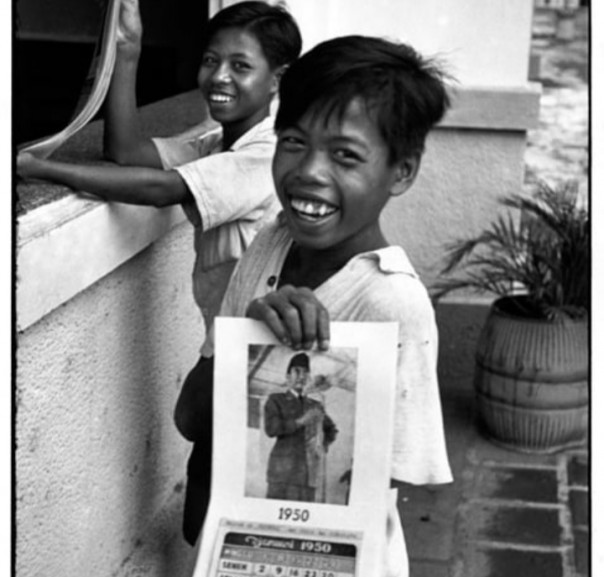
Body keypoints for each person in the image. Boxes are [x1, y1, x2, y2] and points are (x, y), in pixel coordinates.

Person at [185, 35, 454, 576]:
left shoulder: (392, 302)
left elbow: (372, 485)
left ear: (401, 171)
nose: (309, 171)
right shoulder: (272, 242)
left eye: (346, 156)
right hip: (238, 550)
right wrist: (248, 340)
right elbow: (190, 418)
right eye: (293, 141)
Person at [16, 0, 302, 328]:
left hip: (251, 344)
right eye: (211, 60)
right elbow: (126, 151)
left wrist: (41, 169)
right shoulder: (217, 146)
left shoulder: (266, 154)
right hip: (225, 336)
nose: (219, 76)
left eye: (240, 66)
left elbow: (161, 190)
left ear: (277, 80)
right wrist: (128, 48)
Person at [264, 352, 338, 503]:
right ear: (287, 376)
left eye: (305, 372)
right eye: (296, 371)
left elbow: (331, 430)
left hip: (308, 474)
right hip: (282, 473)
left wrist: (321, 446)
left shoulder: (315, 405)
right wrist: (301, 421)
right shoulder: (276, 400)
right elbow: (271, 429)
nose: (301, 376)